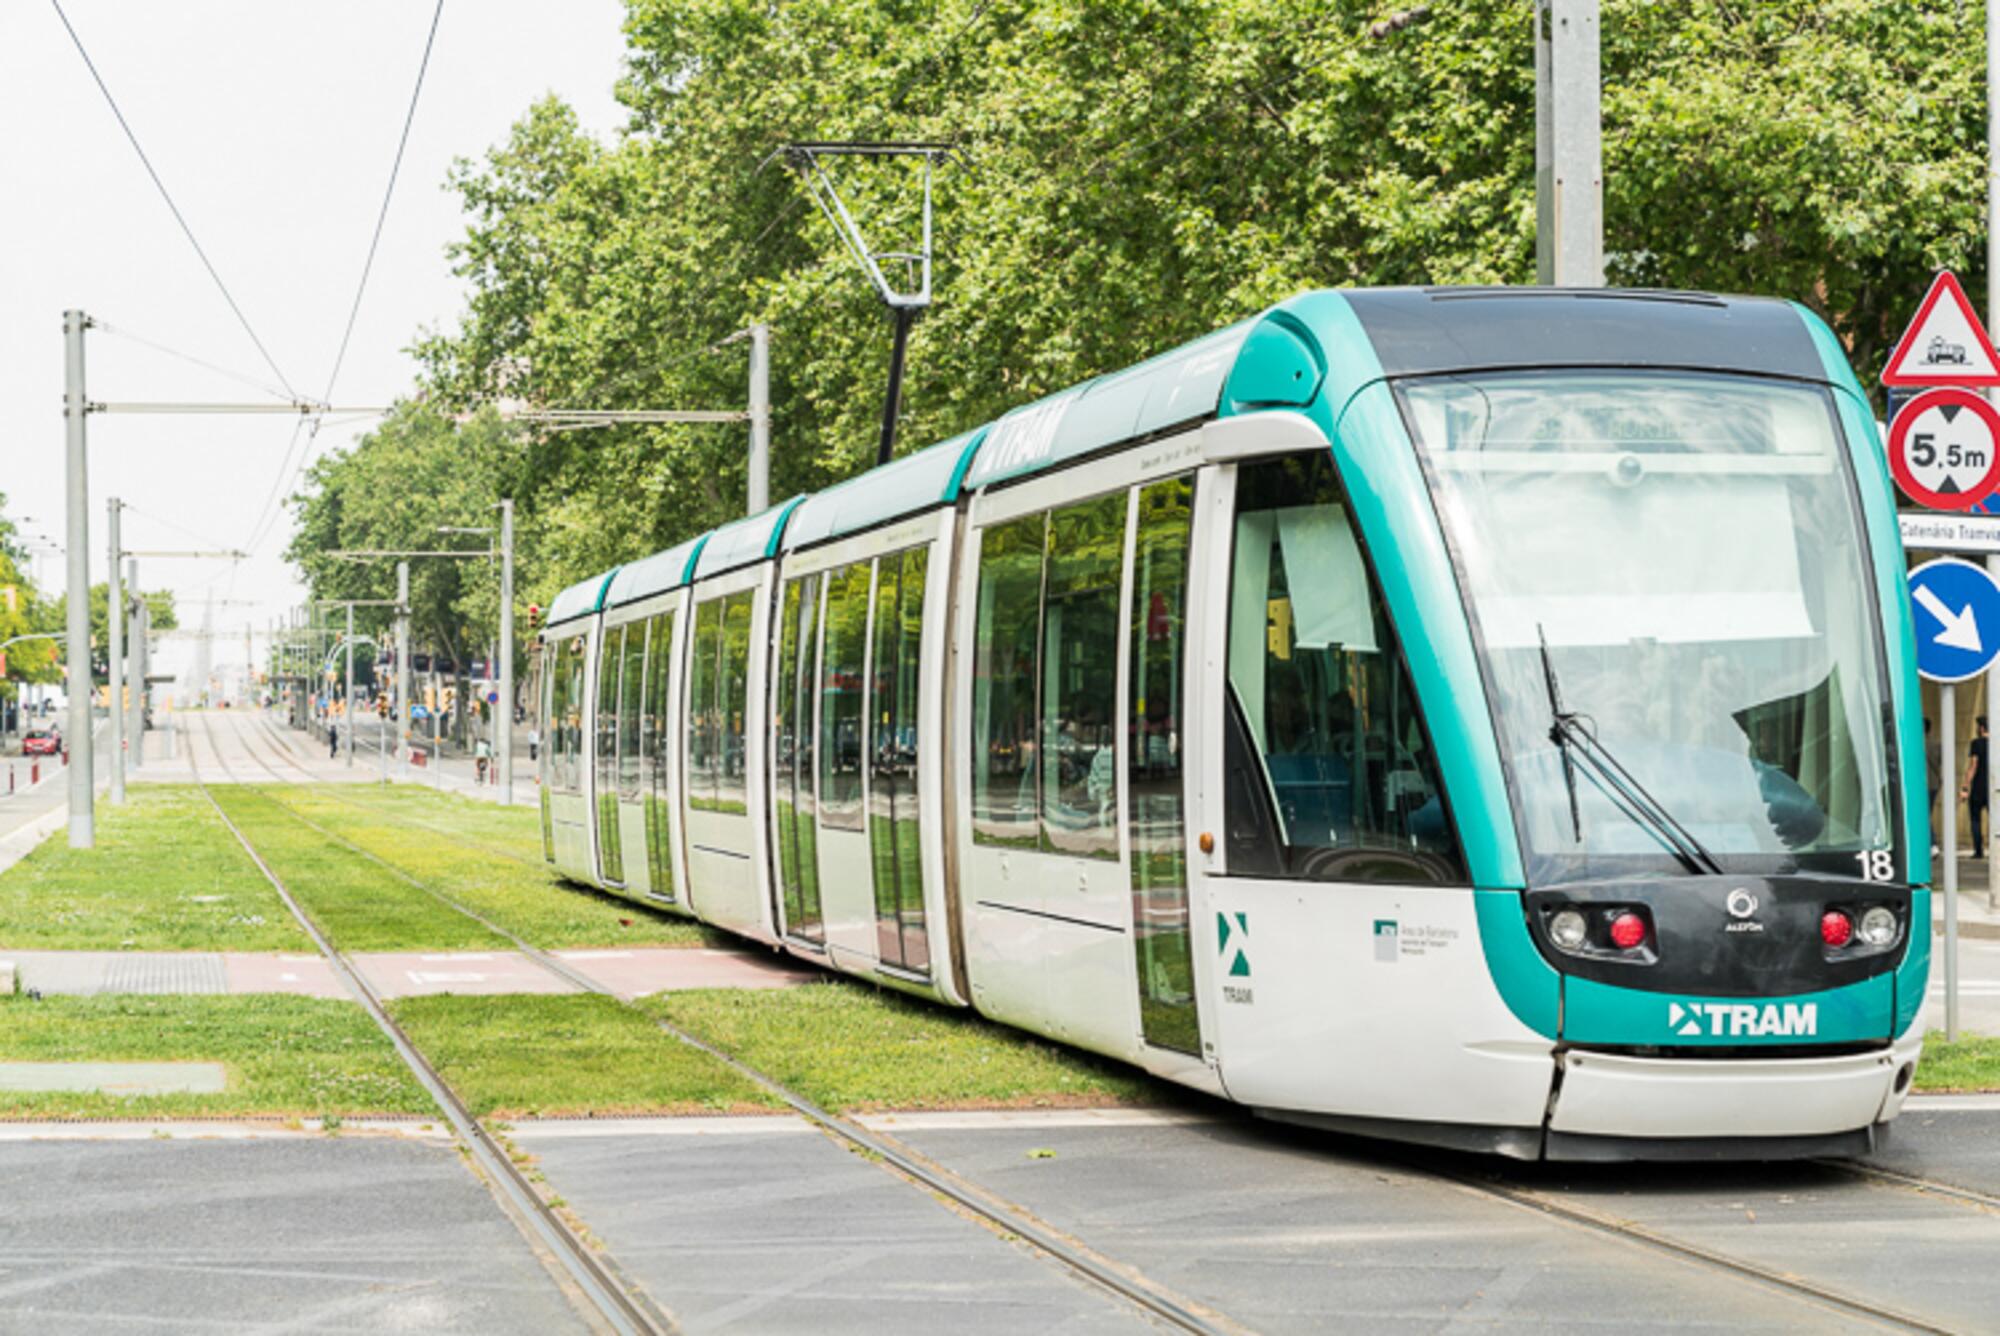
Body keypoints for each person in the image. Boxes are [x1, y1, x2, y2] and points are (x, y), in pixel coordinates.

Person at [1961, 715, 1991, 858]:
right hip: (1993, 787)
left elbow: (1973, 766)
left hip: (1979, 787)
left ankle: (1978, 851)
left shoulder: (1977, 744)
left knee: (1975, 820)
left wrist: (1965, 787)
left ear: (1981, 728)